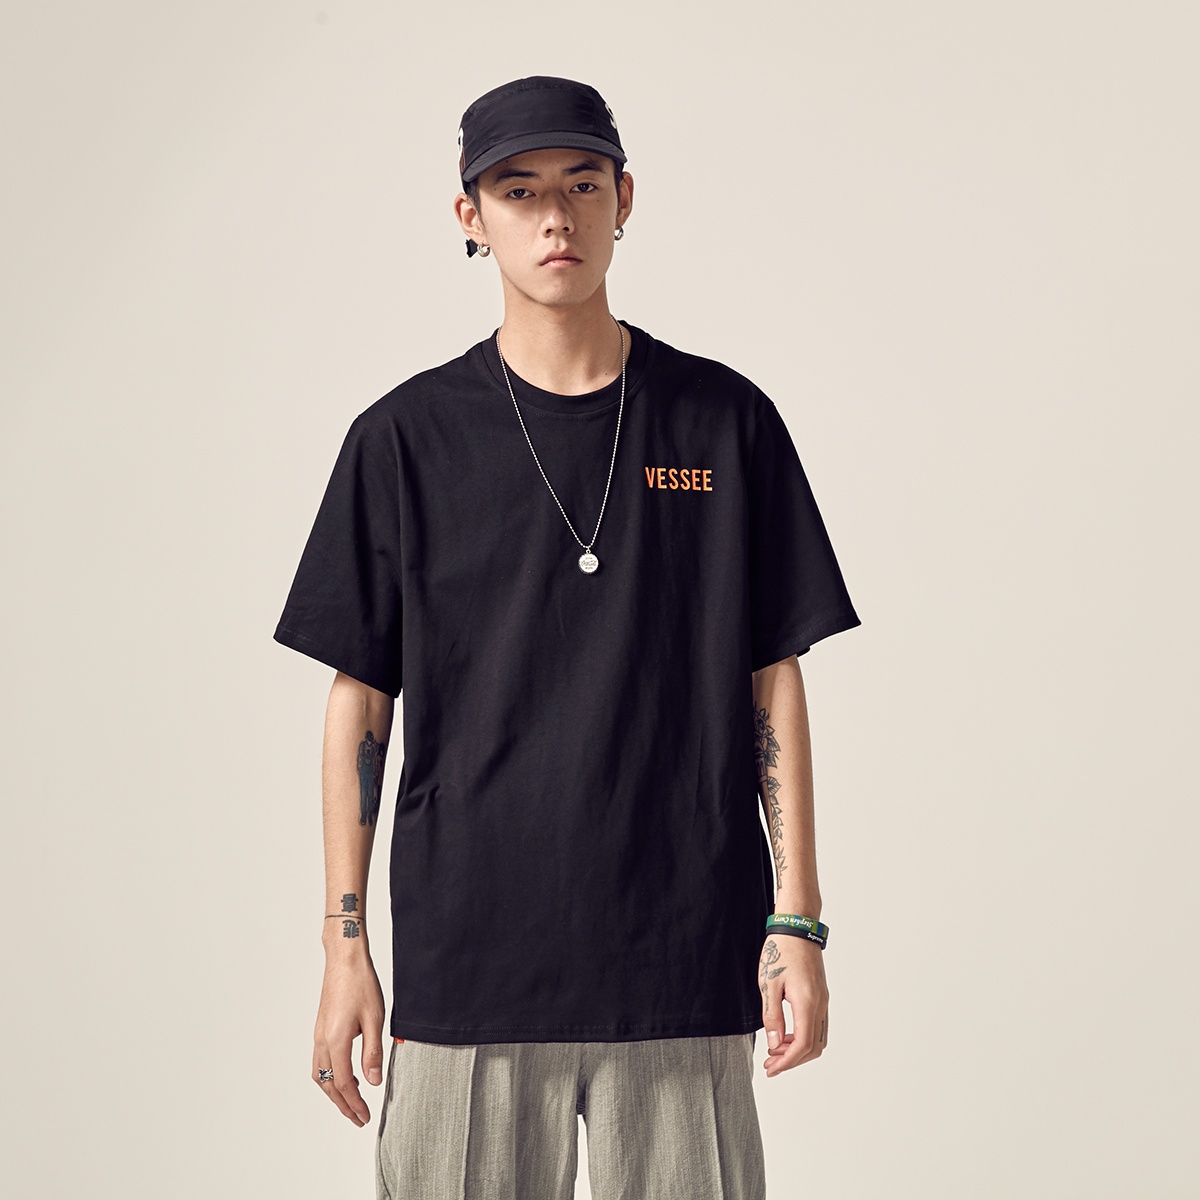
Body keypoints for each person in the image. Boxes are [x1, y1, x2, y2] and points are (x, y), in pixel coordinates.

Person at [273, 75, 862, 1200]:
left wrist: (798, 918)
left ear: (624, 198)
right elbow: (361, 701)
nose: (556, 218)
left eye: (583, 185)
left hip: (681, 957)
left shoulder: (724, 421)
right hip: (470, 968)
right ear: (471, 215)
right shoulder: (404, 441)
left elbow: (771, 677)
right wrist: (345, 947)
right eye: (520, 190)